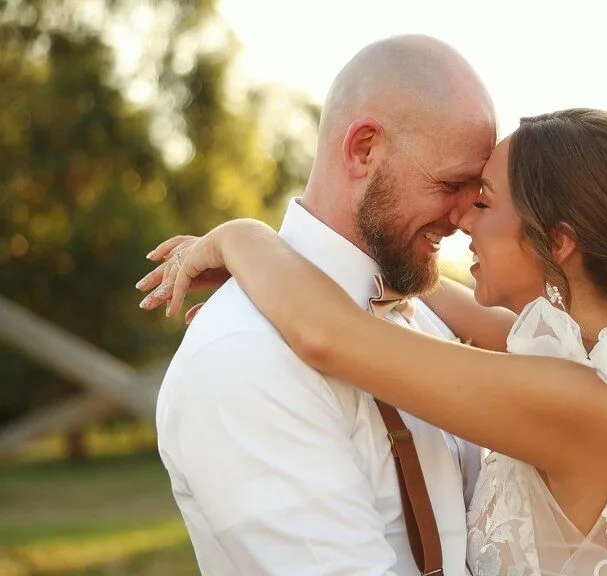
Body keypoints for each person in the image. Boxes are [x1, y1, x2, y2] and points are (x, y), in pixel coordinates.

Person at [140, 108, 607, 575]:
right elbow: (411, 291)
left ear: (559, 241)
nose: (463, 219)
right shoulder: (599, 363)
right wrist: (291, 263)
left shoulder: (589, 402)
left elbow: (329, 336)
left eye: (484, 200)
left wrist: (240, 237)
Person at [146, 34, 497, 575]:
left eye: (477, 192)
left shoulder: (424, 314)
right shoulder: (244, 354)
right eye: (451, 183)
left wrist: (248, 242)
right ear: (363, 149)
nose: (465, 216)